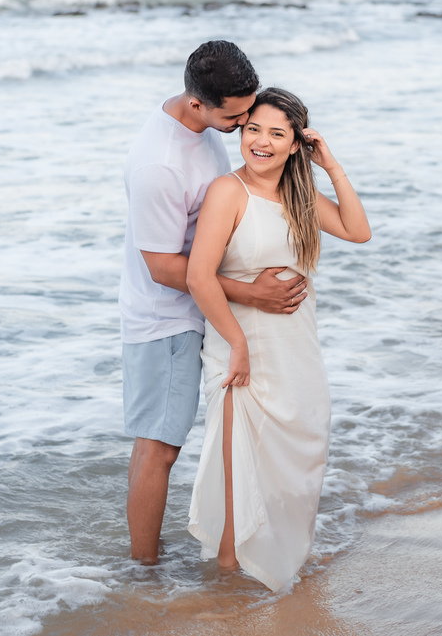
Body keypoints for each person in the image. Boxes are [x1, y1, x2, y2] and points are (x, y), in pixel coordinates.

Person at [120, 42, 308, 565]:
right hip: (168, 319)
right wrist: (252, 293)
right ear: (199, 104)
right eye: (237, 116)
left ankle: (149, 558)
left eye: (249, 109)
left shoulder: (200, 123)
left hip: (198, 307)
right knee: (159, 446)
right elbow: (161, 265)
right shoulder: (161, 165)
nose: (246, 122)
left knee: (153, 442)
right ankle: (144, 574)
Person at [186, 87, 371, 591]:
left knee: (298, 464)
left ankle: (280, 567)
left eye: (276, 134)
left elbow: (358, 231)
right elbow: (198, 276)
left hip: (298, 353)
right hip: (240, 350)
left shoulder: (299, 195)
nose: (261, 142)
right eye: (253, 130)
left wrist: (329, 164)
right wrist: (238, 345)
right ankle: (226, 591)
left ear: (295, 145)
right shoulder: (229, 191)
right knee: (238, 475)